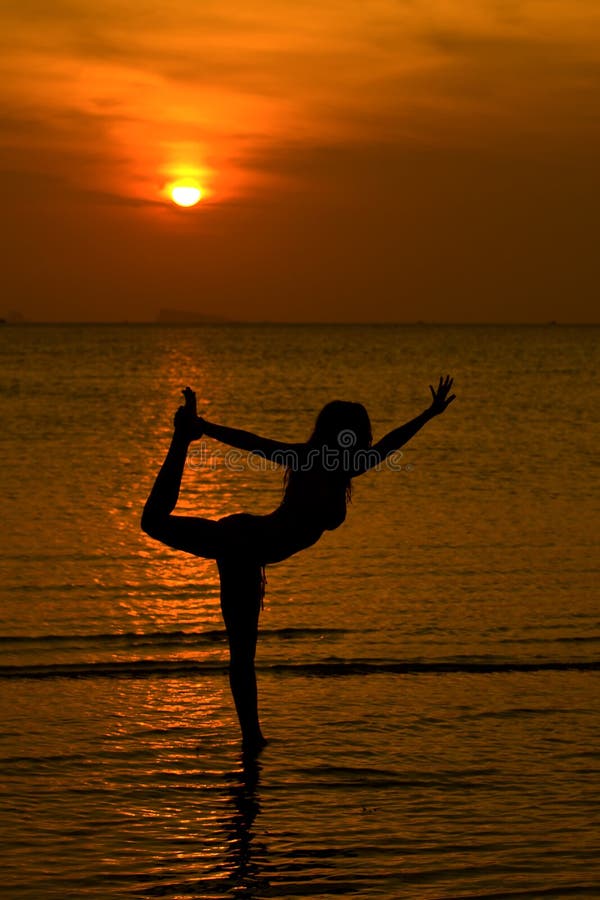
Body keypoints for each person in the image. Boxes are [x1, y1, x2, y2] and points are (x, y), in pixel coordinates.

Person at [142, 376, 455, 753]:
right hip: (242, 543)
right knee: (155, 525)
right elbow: (254, 443)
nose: (365, 439)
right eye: (359, 432)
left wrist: (428, 414)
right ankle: (252, 739)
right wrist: (204, 428)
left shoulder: (346, 469)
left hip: (249, 547)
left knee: (243, 654)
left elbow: (392, 443)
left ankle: (252, 741)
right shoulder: (307, 459)